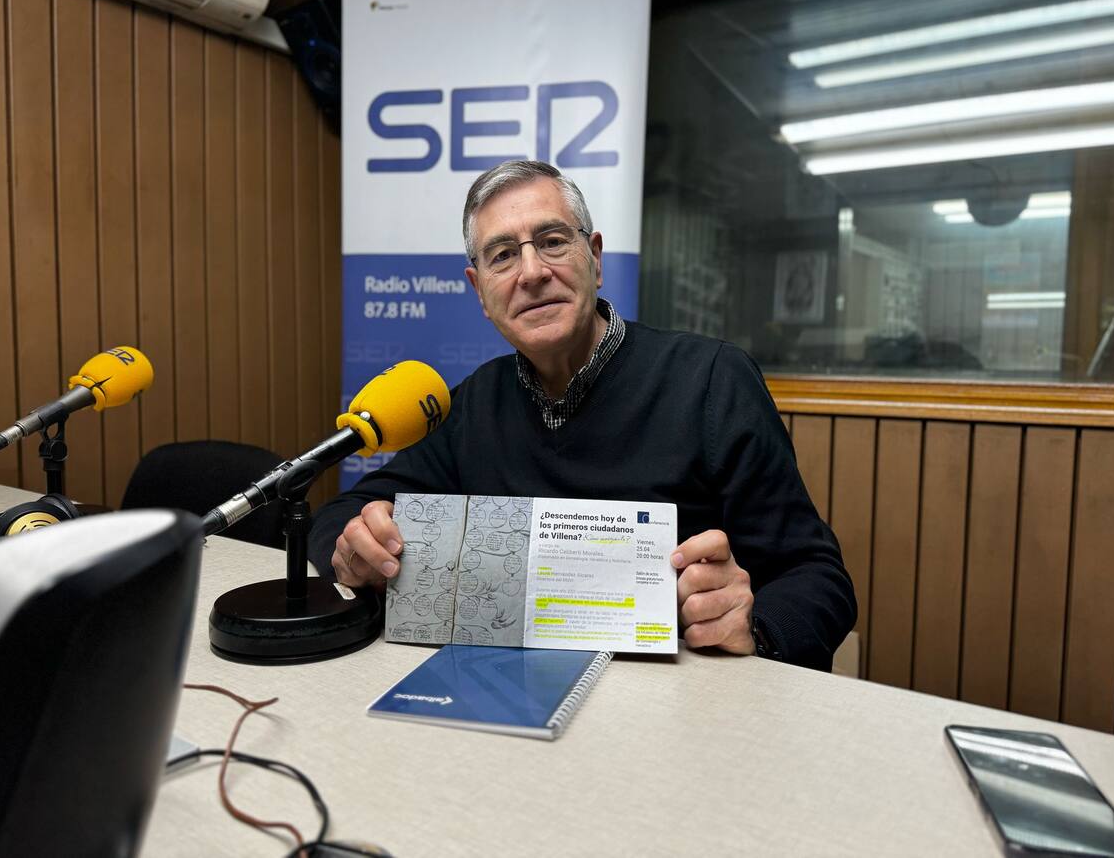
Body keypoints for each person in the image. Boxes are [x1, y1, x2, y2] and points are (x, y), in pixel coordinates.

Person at [309, 160, 856, 670]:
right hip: (509, 685)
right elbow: (348, 512)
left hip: (675, 699)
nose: (531, 272)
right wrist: (354, 549)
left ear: (594, 259)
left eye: (551, 242)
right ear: (479, 290)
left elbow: (818, 577)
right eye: (502, 256)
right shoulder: (473, 403)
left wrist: (755, 626)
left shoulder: (712, 379)